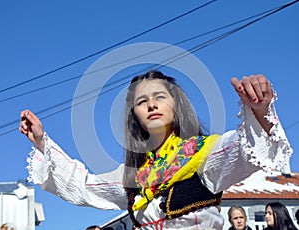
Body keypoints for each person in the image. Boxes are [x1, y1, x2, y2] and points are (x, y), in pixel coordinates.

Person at [19, 70, 292, 229]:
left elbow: (249, 149)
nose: (151, 105)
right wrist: (43, 142)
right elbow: (83, 186)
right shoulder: (132, 177)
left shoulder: (205, 153)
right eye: (141, 101)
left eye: (160, 97)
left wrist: (260, 111)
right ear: (134, 115)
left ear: (177, 106)